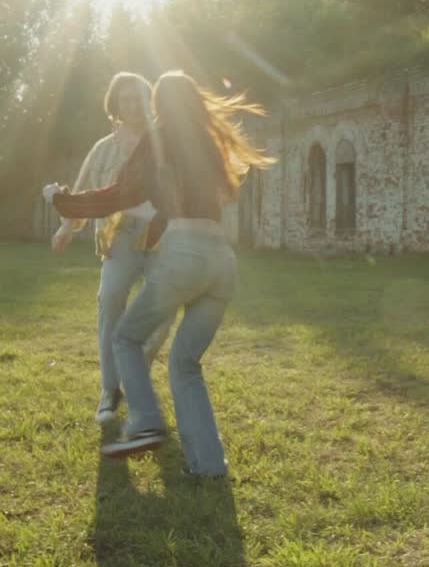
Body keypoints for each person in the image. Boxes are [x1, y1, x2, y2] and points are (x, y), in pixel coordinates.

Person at [44, 71, 273, 475]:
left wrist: (61, 201)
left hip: (184, 258)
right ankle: (209, 466)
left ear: (159, 104)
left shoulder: (159, 142)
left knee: (125, 338)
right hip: (222, 262)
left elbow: (117, 195)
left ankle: (146, 421)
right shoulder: (210, 143)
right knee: (186, 365)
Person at [51, 72, 169, 425]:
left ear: (150, 100)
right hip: (119, 241)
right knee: (110, 300)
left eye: (139, 97)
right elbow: (84, 189)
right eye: (126, 99)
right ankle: (110, 390)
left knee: (163, 314)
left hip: (161, 239)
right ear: (115, 105)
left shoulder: (165, 141)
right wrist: (66, 226)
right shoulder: (103, 148)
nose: (133, 105)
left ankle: (133, 373)